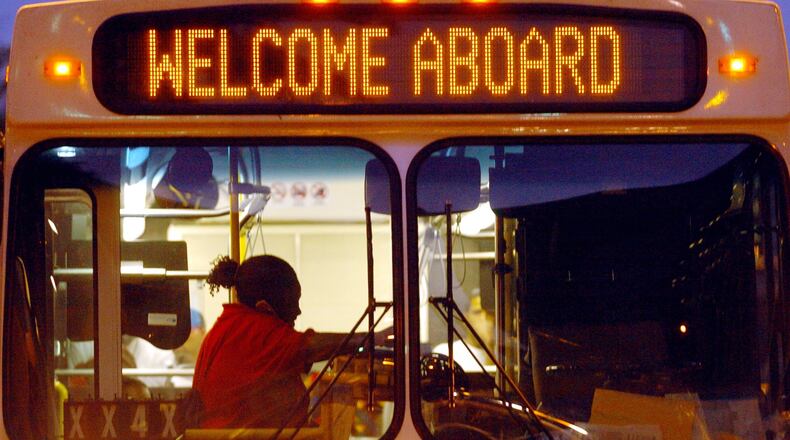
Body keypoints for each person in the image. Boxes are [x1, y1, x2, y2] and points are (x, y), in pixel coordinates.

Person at [193, 255, 383, 429]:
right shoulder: (255, 333)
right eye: (293, 302)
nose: (298, 312)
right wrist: (373, 338)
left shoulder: (227, 327)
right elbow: (310, 346)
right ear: (264, 307)